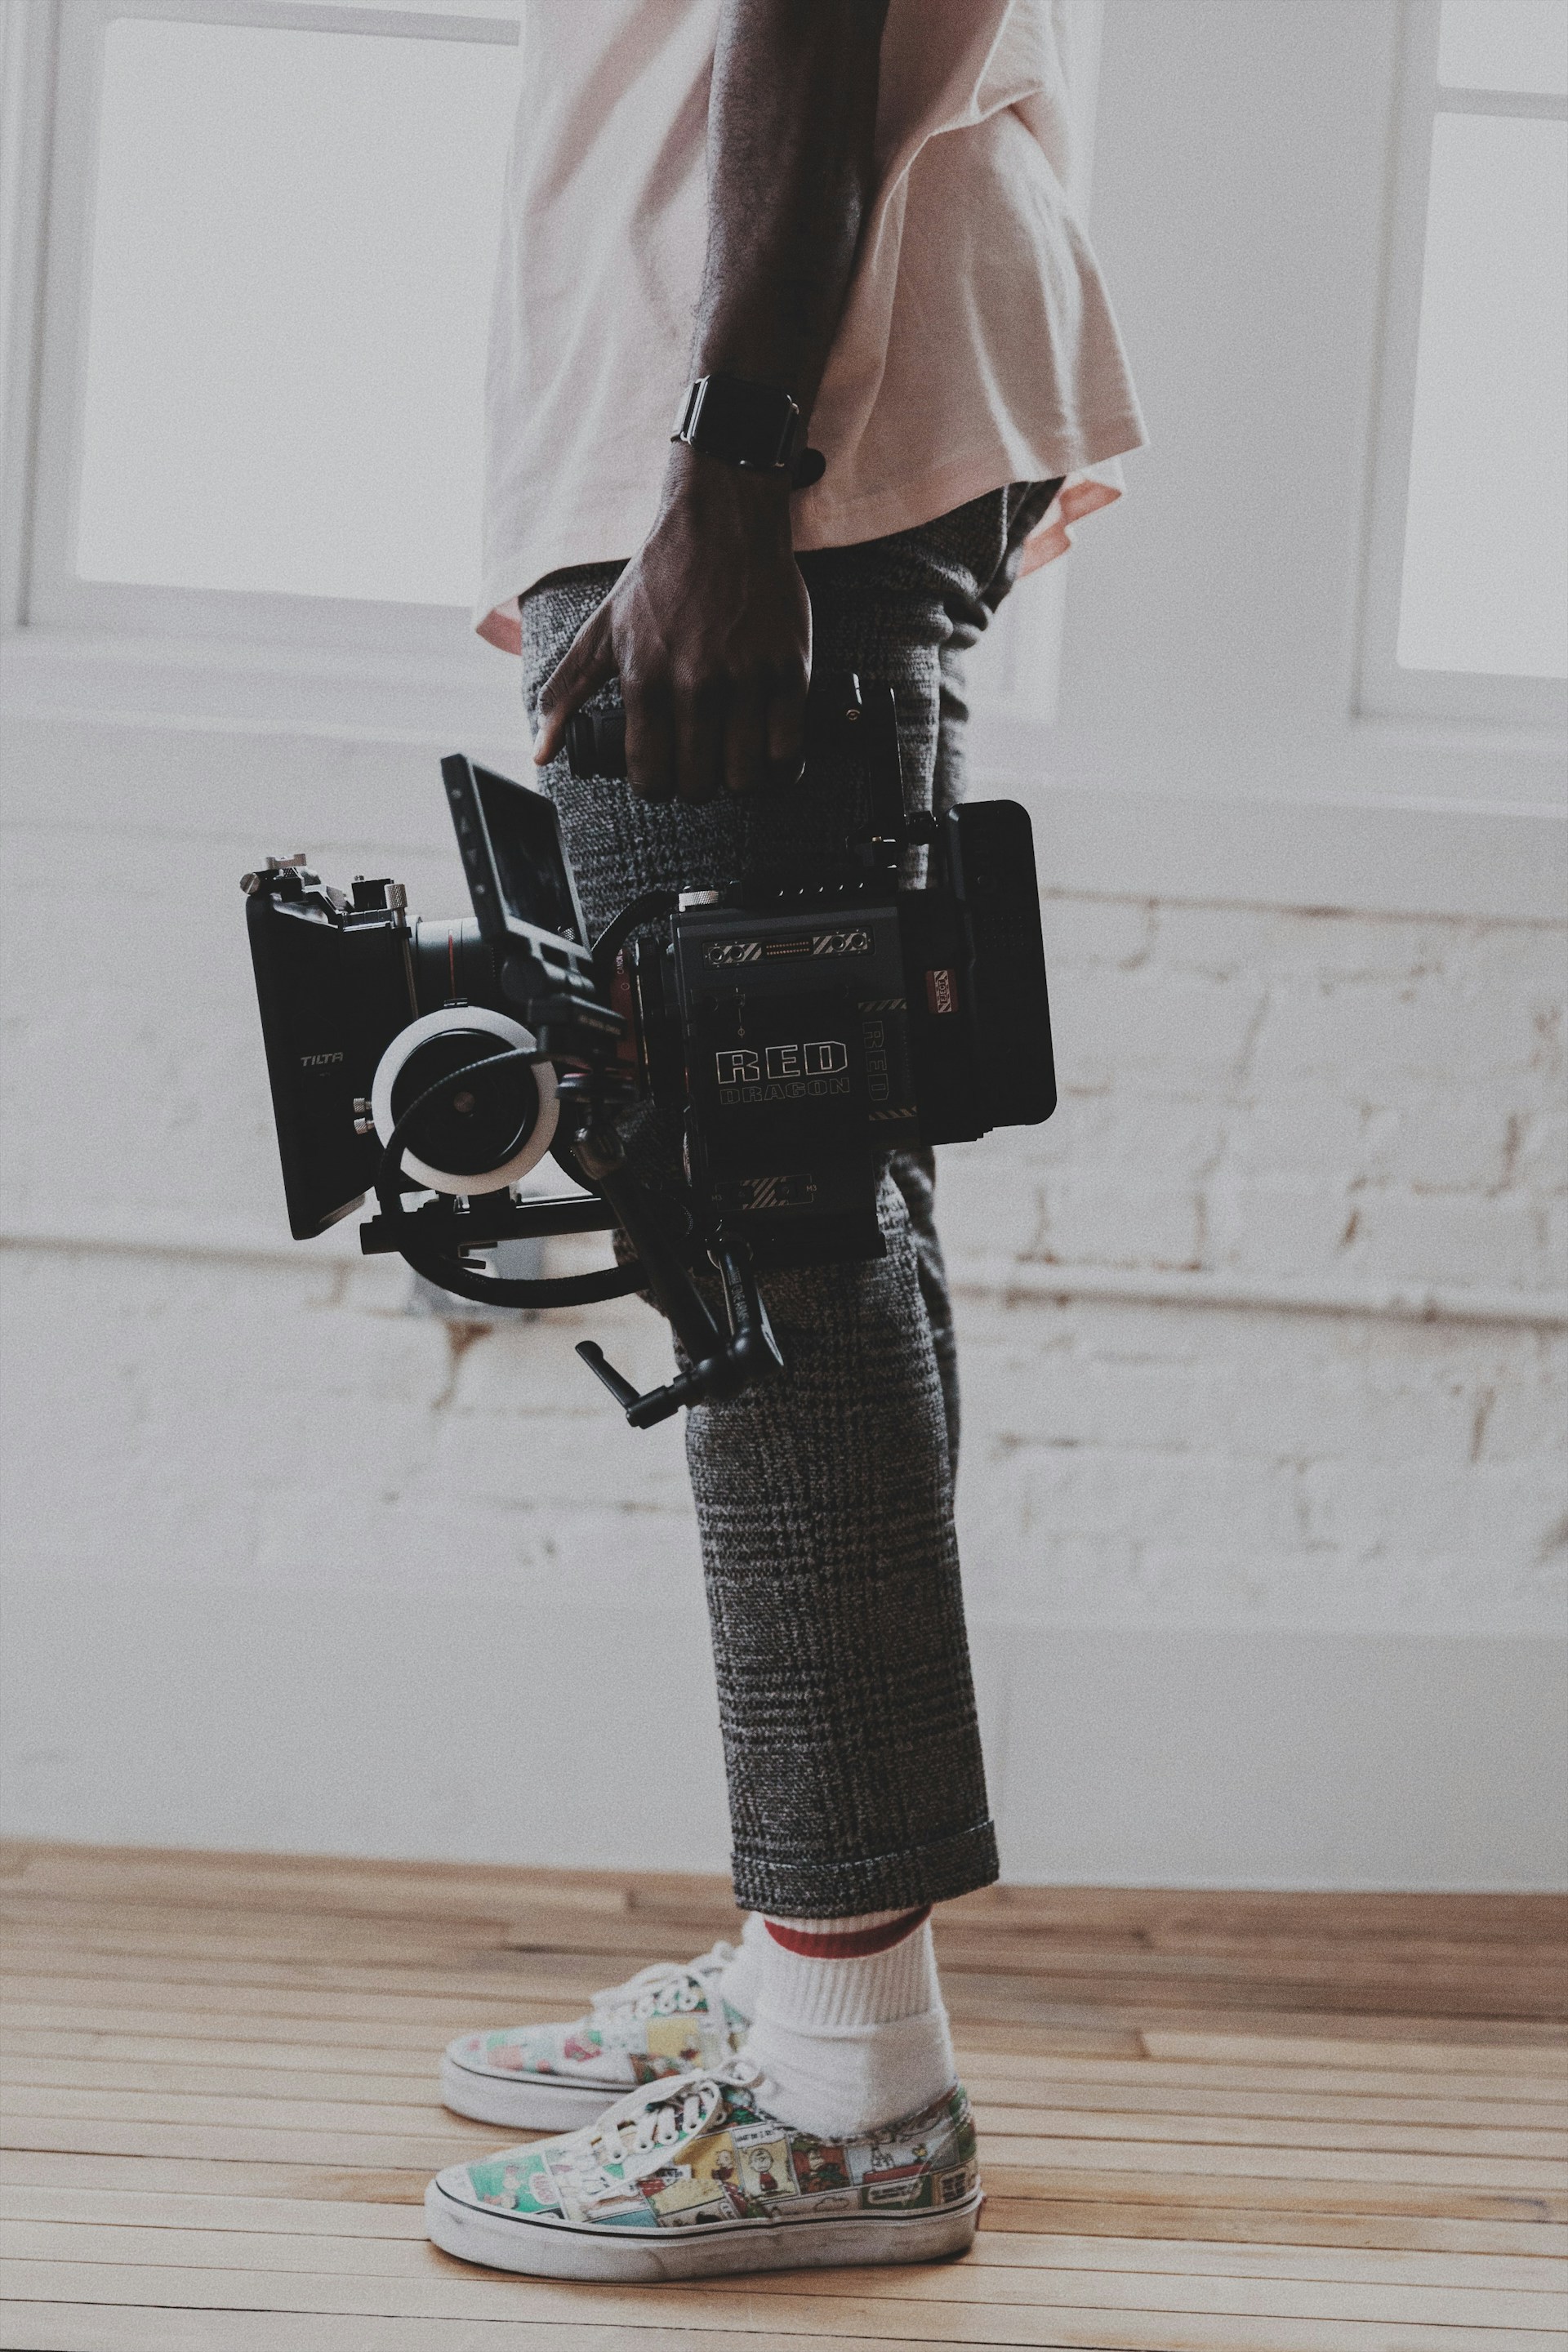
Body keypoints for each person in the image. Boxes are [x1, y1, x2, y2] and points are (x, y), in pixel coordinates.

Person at [425, 0, 1143, 2282]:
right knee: (787, 1213)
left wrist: (729, 472)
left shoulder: (747, 463)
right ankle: (808, 1971)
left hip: (764, 451)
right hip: (750, 422)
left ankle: (848, 2078)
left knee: (775, 1229)